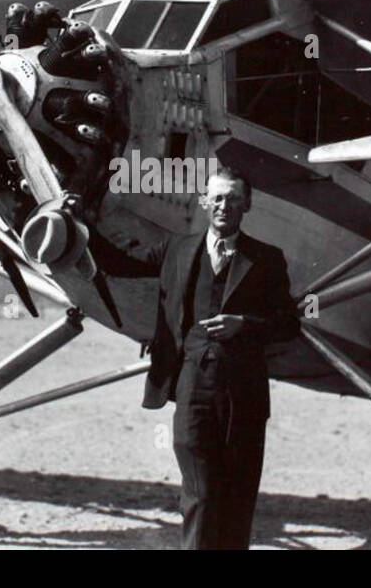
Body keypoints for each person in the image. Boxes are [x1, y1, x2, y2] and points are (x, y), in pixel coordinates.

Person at [92, 166, 299, 549]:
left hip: (245, 396)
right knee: (200, 493)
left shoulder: (267, 259)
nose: (224, 206)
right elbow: (123, 261)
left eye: (234, 199)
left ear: (247, 205)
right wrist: (82, 225)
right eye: (218, 198)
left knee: (237, 499)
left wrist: (244, 324)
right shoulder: (177, 249)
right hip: (192, 389)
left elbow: (289, 324)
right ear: (205, 202)